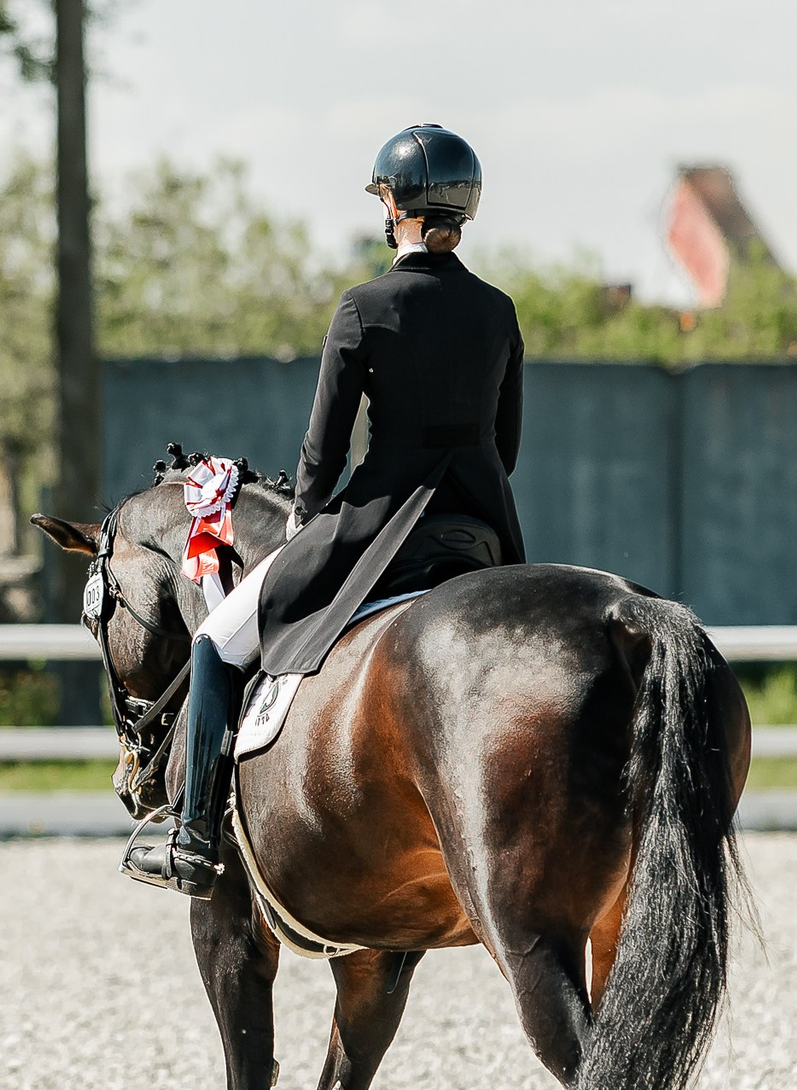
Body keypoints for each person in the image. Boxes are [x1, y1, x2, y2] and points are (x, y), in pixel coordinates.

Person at [127, 124, 528, 896]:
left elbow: (323, 453)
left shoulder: (364, 306)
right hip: (483, 532)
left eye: (384, 198)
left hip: (378, 527)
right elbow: (504, 446)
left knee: (213, 642)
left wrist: (309, 518)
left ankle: (193, 834)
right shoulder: (498, 309)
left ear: (398, 209)